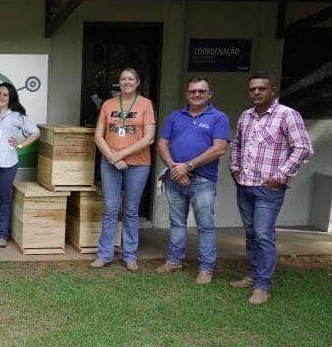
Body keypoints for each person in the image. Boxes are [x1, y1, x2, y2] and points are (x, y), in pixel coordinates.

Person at [229, 72, 313, 305]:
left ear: (272, 90)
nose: (256, 92)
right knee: (250, 233)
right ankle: (254, 275)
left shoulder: (287, 115)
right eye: (252, 89)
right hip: (245, 184)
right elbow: (237, 144)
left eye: (261, 89)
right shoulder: (246, 116)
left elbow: (303, 148)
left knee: (264, 234)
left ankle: (263, 286)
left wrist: (281, 176)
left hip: (269, 188)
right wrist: (235, 168)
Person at [155, 77, 230, 284]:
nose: (197, 95)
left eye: (201, 91)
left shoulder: (218, 117)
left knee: (205, 225)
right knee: (177, 222)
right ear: (186, 94)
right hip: (174, 178)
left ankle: (206, 268)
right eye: (192, 91)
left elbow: (220, 148)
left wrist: (187, 167)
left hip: (203, 180)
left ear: (209, 94)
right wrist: (174, 168)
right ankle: (173, 261)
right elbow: (162, 143)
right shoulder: (175, 116)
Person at [91, 68, 156, 271]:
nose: (126, 82)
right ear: (119, 83)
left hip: (138, 164)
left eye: (131, 79)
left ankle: (130, 256)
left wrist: (121, 154)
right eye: (123, 79)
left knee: (130, 209)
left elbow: (149, 138)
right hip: (110, 163)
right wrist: (111, 157)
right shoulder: (108, 104)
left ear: (137, 83)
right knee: (110, 209)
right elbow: (98, 135)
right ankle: (105, 254)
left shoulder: (146, 104)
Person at [0, 82, 40, 247]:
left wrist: (20, 145)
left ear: (10, 98)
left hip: (8, 164)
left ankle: (2, 234)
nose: (1, 97)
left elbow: (36, 132)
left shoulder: (17, 116)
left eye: (5, 94)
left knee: (5, 199)